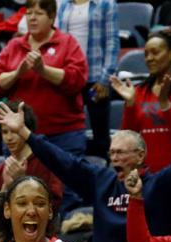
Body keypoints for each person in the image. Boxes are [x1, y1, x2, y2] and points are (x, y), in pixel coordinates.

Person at [0, 100, 171, 242]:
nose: (114, 158)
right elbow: (63, 162)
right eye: (112, 153)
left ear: (140, 155)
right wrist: (25, 133)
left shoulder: (160, 184)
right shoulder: (101, 179)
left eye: (121, 153)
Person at [0, 0, 89, 158]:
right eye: (29, 13)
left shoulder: (68, 43)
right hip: (20, 135)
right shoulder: (14, 45)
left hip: (63, 135)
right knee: (18, 182)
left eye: (39, 13)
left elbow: (76, 80)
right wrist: (17, 74)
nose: (32, 18)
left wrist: (43, 70)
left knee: (64, 182)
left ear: (52, 17)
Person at [111, 29, 171, 173]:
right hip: (146, 176)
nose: (149, 58)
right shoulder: (139, 91)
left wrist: (165, 105)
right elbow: (128, 140)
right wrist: (130, 104)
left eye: (155, 52)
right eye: (146, 54)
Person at [56, 0, 119, 160]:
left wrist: (105, 79)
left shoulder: (106, 4)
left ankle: (101, 177)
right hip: (71, 77)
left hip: (96, 78)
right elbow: (60, 41)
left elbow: (112, 42)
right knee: (68, 134)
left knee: (100, 136)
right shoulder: (65, 5)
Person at [0, 102, 64, 208]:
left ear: (26, 131)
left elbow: (53, 205)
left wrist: (22, 181)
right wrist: (6, 188)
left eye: (14, 131)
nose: (9, 137)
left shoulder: (47, 164)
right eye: (5, 132)